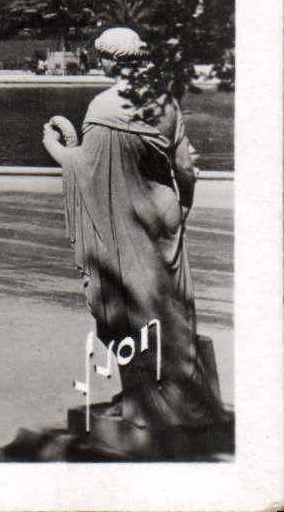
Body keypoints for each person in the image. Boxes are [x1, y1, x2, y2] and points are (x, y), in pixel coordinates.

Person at [41, 26, 225, 440]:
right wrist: (183, 208)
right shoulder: (165, 103)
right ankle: (171, 398)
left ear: (108, 60)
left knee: (124, 310)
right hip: (162, 219)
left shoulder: (102, 107)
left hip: (123, 223)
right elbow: (186, 170)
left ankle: (144, 400)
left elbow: (85, 172)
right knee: (169, 312)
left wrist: (55, 147)